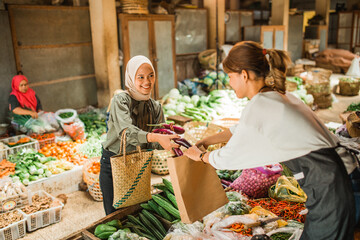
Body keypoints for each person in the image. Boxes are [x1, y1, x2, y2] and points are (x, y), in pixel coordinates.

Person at [184, 41, 356, 239]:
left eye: (230, 77)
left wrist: (201, 156)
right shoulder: (275, 96)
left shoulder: (261, 104)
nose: (229, 83)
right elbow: (243, 129)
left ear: (244, 75)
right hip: (337, 181)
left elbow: (228, 158)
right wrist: (208, 140)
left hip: (328, 190)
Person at [100, 55, 179, 215]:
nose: (147, 82)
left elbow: (154, 142)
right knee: (114, 217)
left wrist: (174, 144)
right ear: (130, 77)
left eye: (151, 75)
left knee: (136, 213)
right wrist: (155, 137)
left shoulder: (155, 107)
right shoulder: (120, 101)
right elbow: (126, 132)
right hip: (115, 164)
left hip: (139, 165)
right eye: (140, 77)